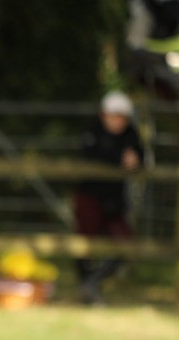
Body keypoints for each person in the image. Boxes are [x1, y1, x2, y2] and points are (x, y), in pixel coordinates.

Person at [73, 90, 143, 305]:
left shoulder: (130, 135)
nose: (117, 121)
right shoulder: (92, 133)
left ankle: (91, 284)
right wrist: (119, 159)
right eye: (113, 116)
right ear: (103, 115)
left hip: (115, 201)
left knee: (124, 244)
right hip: (90, 197)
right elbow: (92, 157)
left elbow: (141, 157)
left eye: (122, 117)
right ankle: (87, 288)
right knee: (85, 243)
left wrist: (136, 160)